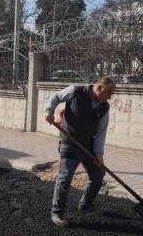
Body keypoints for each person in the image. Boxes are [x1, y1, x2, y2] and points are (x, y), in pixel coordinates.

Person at [44, 76, 117, 227]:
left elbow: (101, 132)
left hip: (88, 145)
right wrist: (50, 110)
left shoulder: (105, 107)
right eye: (109, 92)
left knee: (97, 175)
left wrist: (98, 154)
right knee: (65, 177)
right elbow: (56, 96)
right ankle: (57, 212)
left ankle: (86, 204)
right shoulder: (76, 91)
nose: (111, 96)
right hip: (69, 142)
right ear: (98, 88)